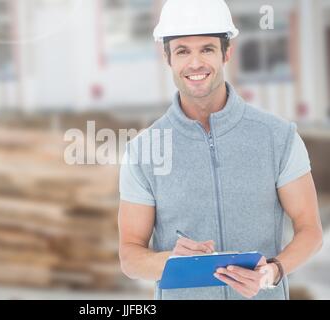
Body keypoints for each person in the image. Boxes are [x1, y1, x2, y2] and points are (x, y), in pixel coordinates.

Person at [118, 0, 323, 300]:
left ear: (228, 52)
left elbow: (310, 230)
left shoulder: (278, 138)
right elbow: (130, 256)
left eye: (207, 49)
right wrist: (170, 263)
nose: (195, 63)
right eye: (183, 51)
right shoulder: (143, 152)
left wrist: (273, 271)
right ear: (168, 58)